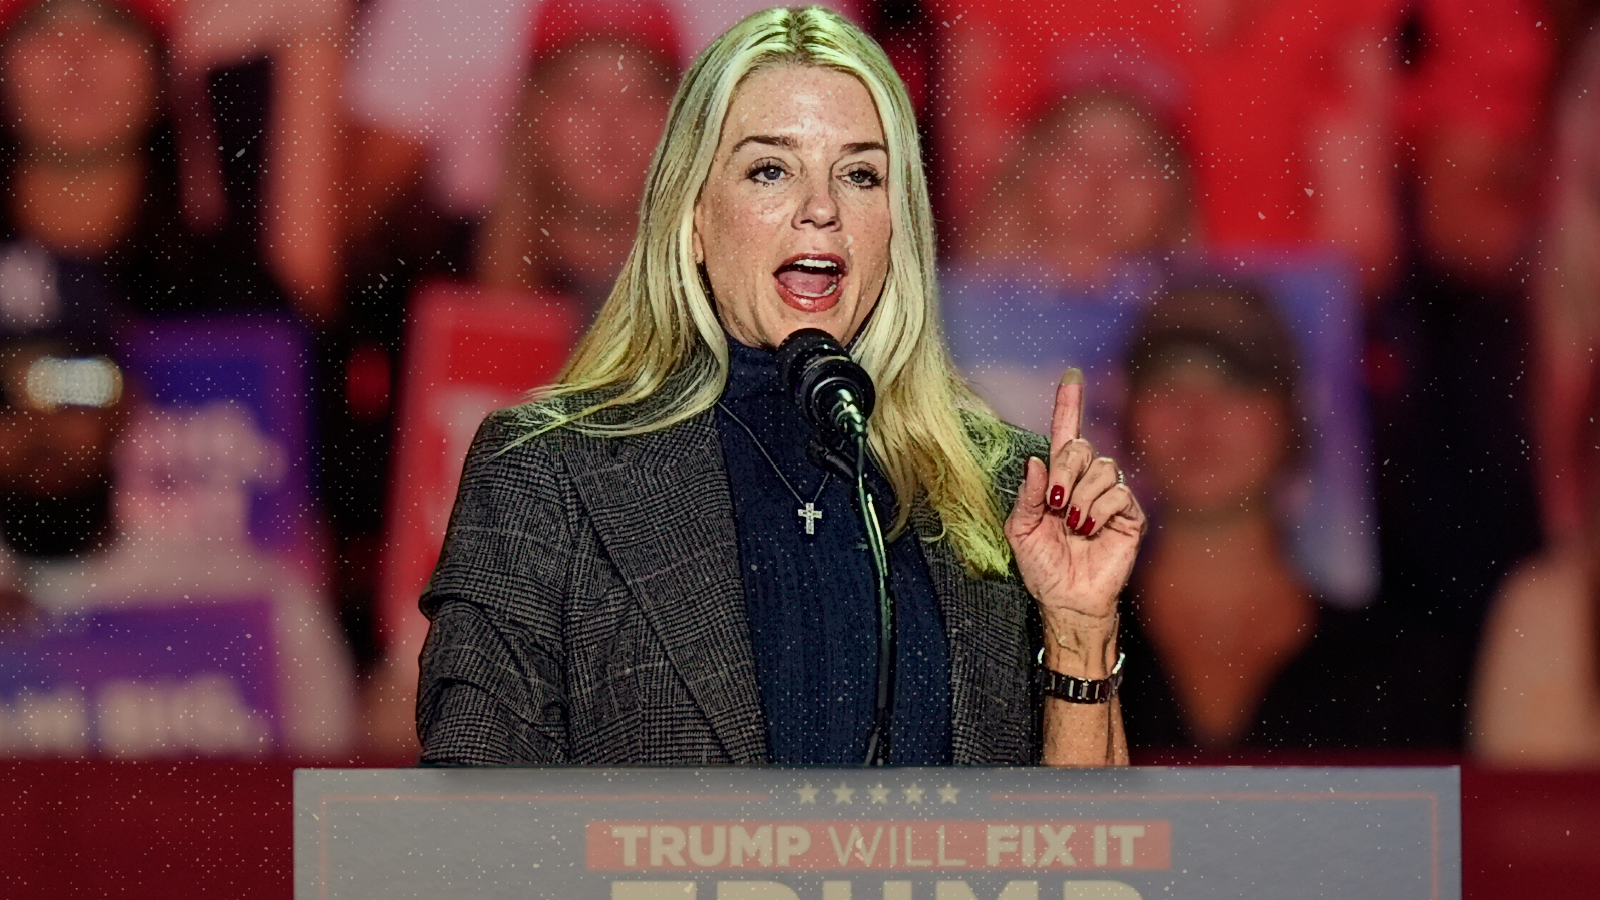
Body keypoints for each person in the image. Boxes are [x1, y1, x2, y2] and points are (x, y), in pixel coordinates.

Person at [415, 6, 1145, 767]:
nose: (822, 209)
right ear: (693, 214)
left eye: (860, 174)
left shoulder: (1005, 492)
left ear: (897, 223)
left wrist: (1078, 627)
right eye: (771, 169)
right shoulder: (546, 475)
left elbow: (1083, 867)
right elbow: (474, 834)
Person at [1114, 283, 1454, 750]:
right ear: (1128, 417)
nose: (1198, 413)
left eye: (1236, 382)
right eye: (1166, 384)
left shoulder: (1396, 665)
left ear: (1291, 415)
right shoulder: (1053, 646)